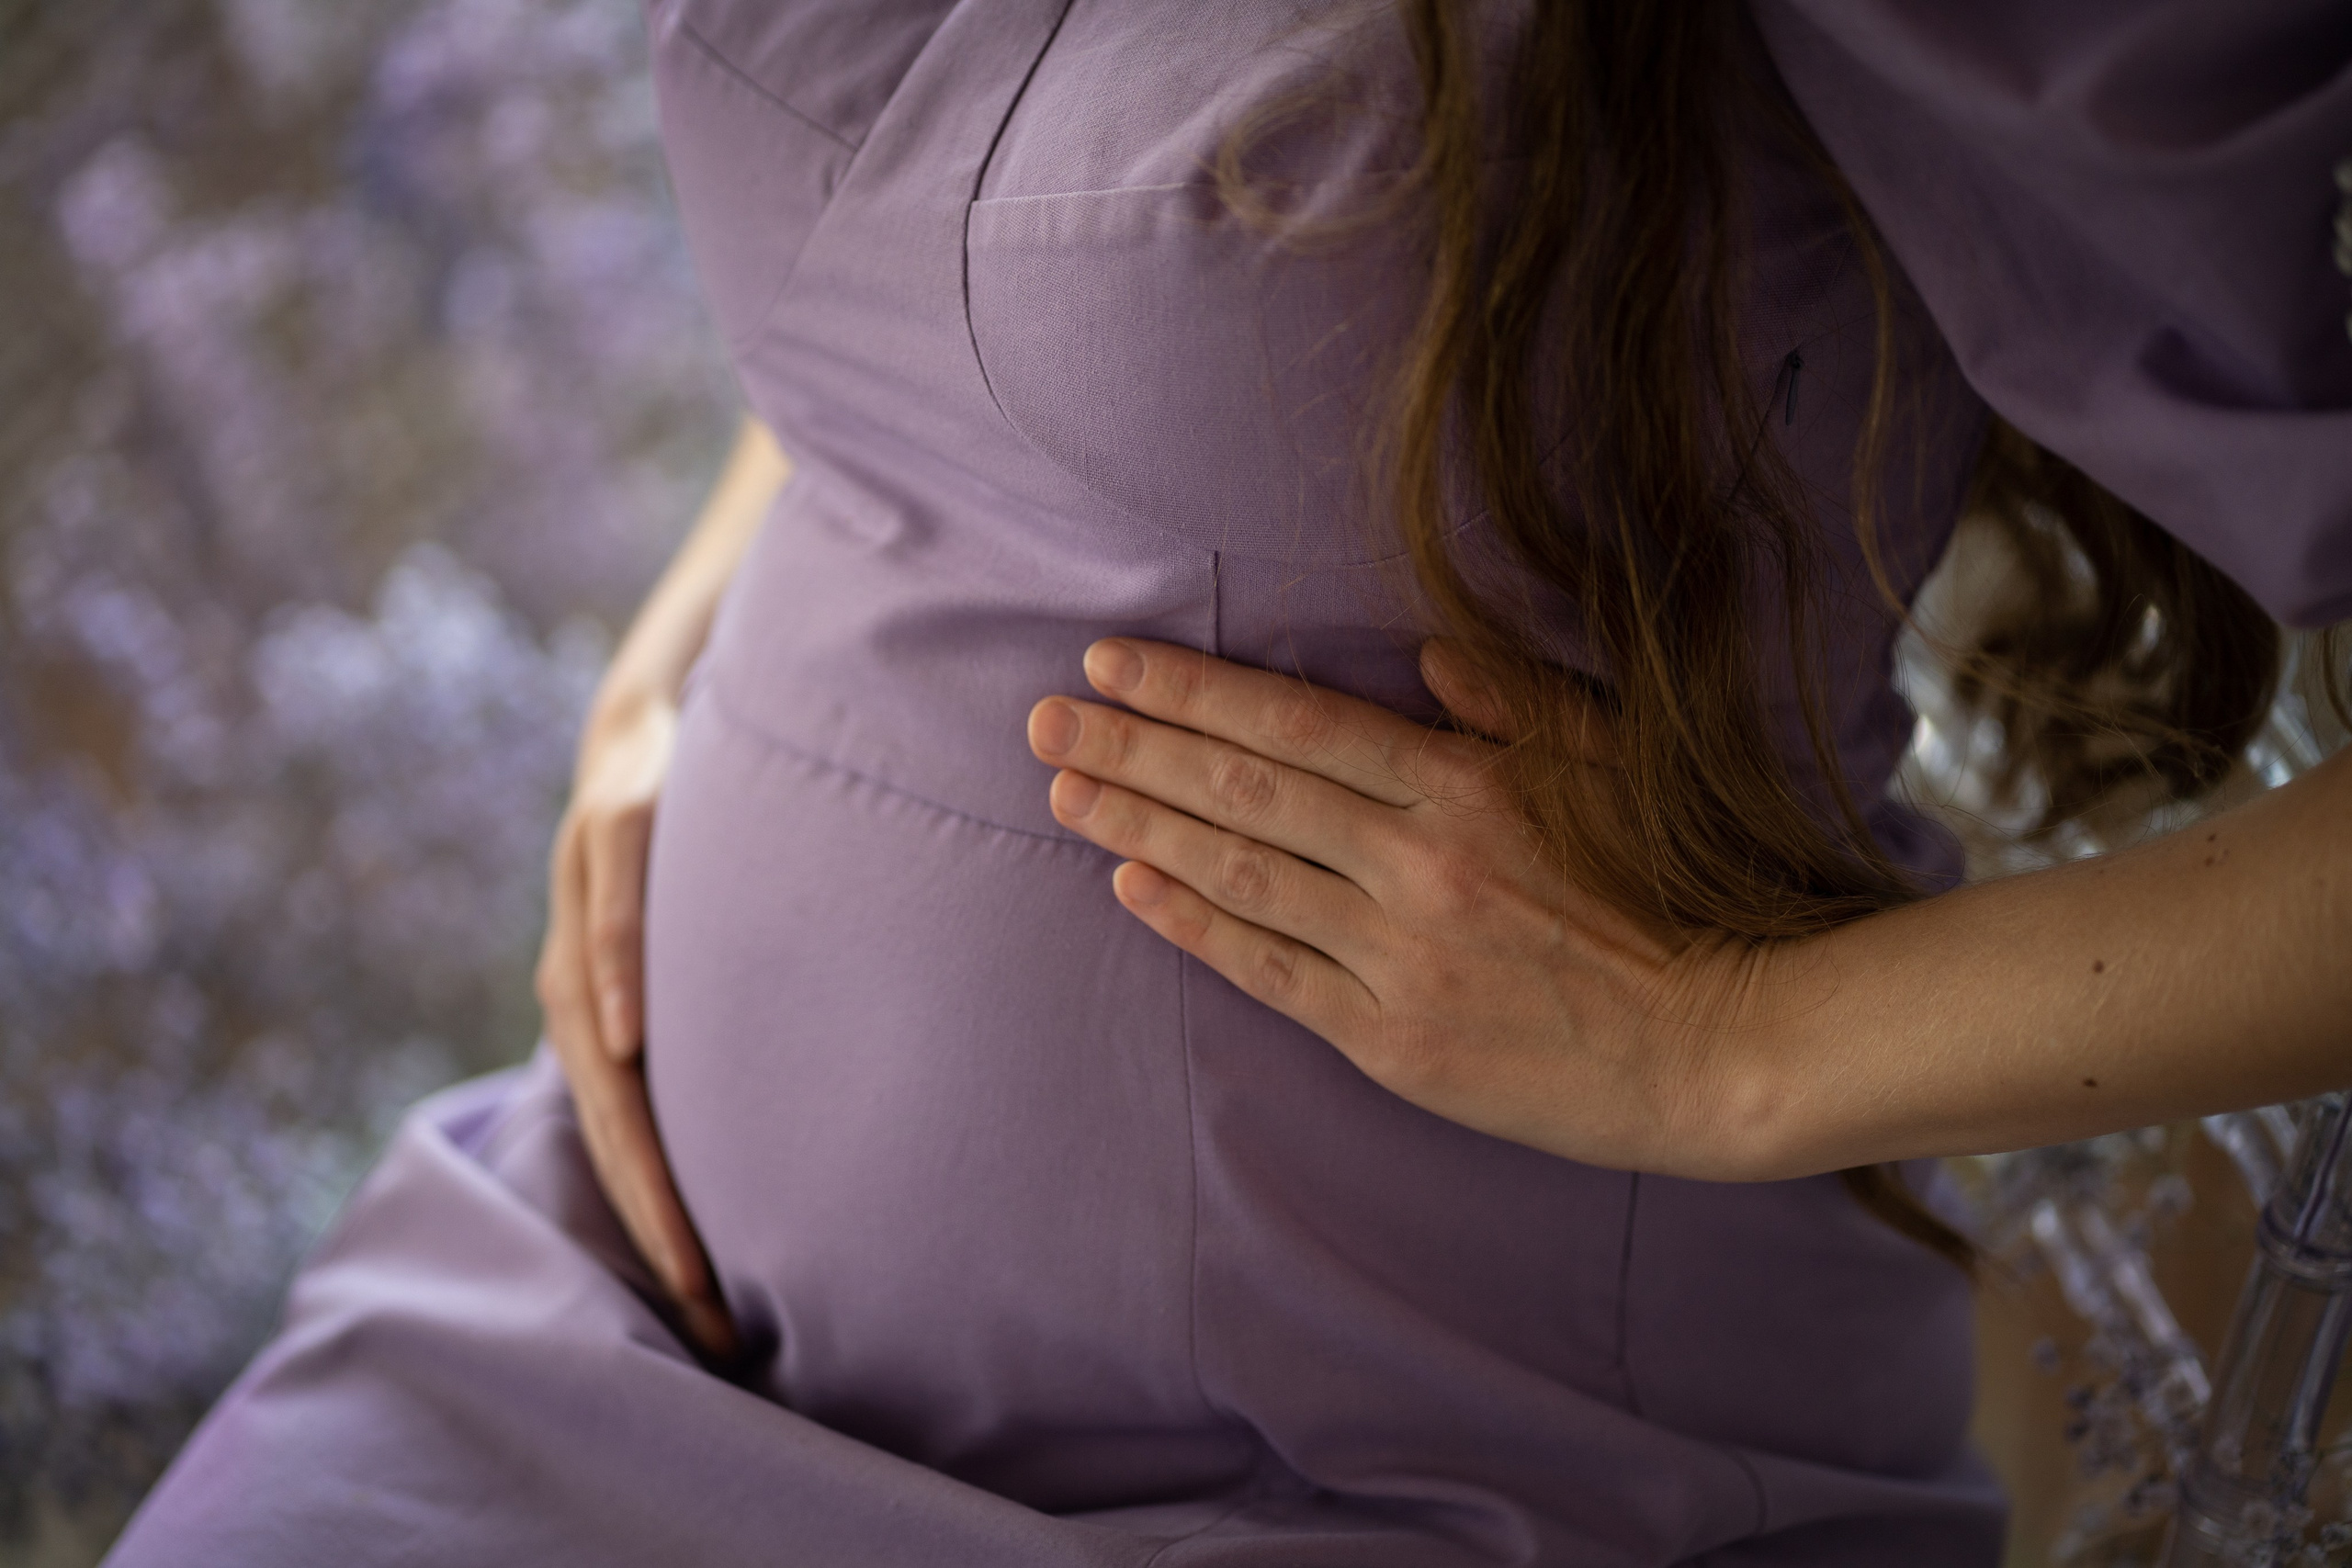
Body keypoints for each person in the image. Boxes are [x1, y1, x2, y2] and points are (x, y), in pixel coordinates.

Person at [105, 1, 2349, 1565]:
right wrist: (672, 652)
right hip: (593, 1297)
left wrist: (1735, 1049)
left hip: (1389, 1467)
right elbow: (914, 217)